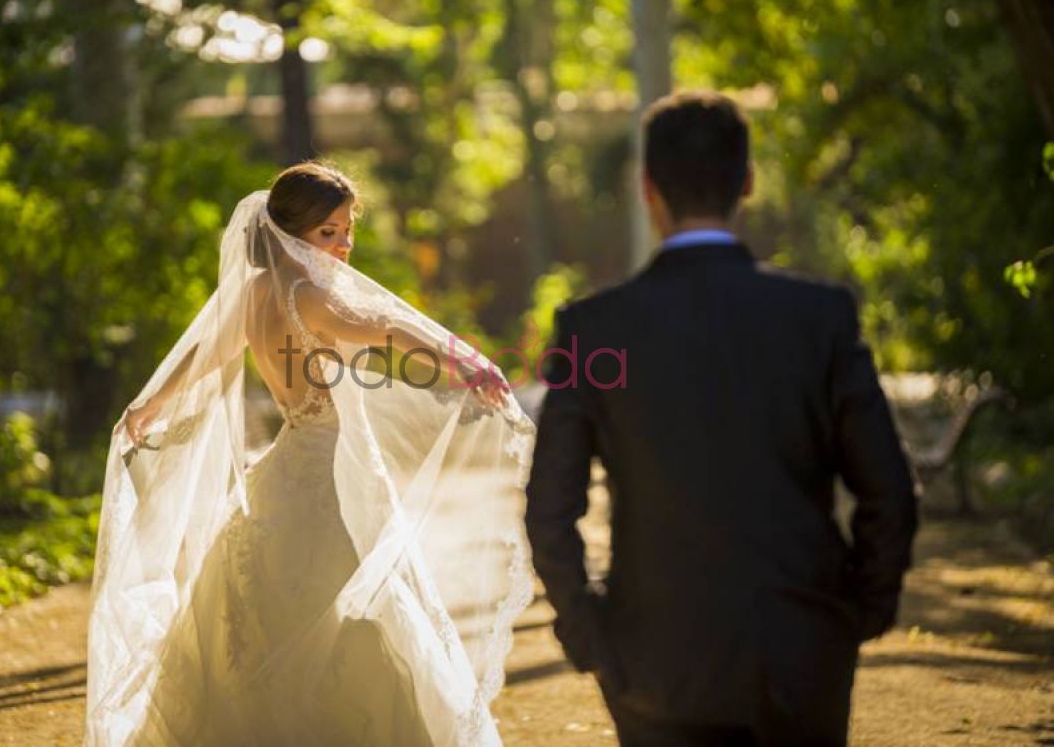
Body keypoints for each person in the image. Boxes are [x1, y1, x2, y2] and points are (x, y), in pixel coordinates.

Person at [84, 163, 534, 746]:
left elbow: (206, 359)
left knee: (264, 621)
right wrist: (470, 362)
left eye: (348, 231)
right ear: (288, 232)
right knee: (354, 618)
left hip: (287, 465)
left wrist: (150, 407)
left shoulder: (251, 294)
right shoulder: (312, 297)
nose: (344, 245)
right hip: (330, 474)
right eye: (329, 232)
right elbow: (387, 331)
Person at [525, 91, 919, 746]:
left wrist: (591, 637)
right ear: (748, 181)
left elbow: (549, 507)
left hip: (652, 663)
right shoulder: (818, 318)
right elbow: (888, 490)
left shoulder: (593, 329)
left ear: (647, 188)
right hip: (802, 651)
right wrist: (856, 614)